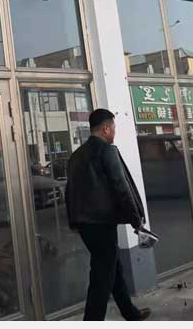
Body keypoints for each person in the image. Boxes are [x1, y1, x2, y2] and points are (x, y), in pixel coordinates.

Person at [65, 108, 151, 321]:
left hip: (85, 224)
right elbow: (121, 187)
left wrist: (73, 220)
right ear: (105, 128)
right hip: (102, 223)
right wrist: (136, 220)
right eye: (113, 127)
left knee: (112, 267)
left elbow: (70, 191)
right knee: (102, 275)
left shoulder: (76, 156)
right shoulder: (107, 151)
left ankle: (130, 313)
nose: (114, 131)